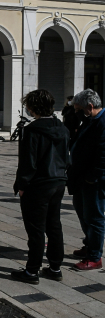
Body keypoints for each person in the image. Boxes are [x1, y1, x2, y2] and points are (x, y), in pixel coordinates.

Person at [10, 89, 69, 284]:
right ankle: (55, 266)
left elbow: (28, 161)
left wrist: (21, 184)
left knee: (35, 229)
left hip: (38, 184)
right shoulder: (62, 127)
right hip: (58, 180)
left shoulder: (33, 130)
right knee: (54, 225)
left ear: (33, 107)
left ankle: (32, 271)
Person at [68, 89, 105, 271]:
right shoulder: (90, 120)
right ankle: (89, 244)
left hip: (94, 181)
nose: (77, 113)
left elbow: (103, 156)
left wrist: (93, 177)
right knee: (83, 212)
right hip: (82, 178)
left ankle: (95, 256)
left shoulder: (102, 122)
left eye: (79, 109)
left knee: (94, 217)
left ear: (90, 107)